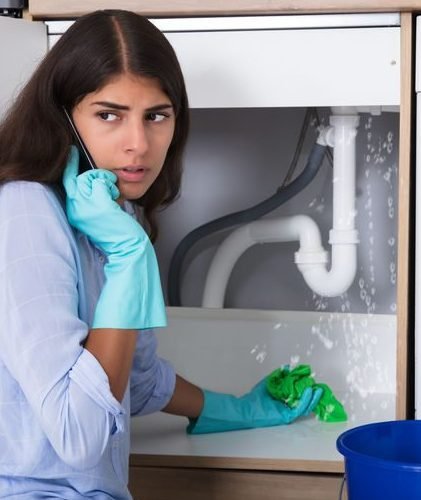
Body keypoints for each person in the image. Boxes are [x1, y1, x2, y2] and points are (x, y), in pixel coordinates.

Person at [0, 10, 322, 499]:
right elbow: (79, 433)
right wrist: (130, 261)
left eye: (156, 116)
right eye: (109, 115)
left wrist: (229, 408)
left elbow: (135, 380)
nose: (138, 145)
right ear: (64, 117)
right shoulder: (25, 211)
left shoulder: (112, 216)